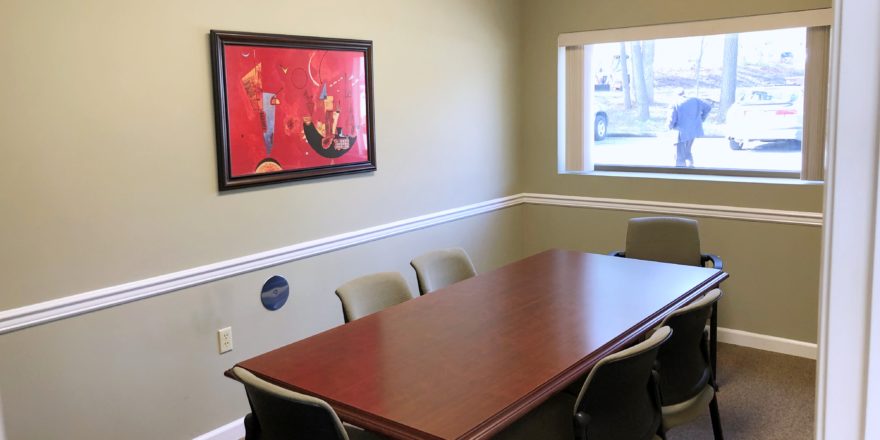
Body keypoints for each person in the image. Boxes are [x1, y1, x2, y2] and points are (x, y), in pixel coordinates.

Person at [667, 90, 712, 167]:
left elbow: (671, 119)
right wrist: (702, 118)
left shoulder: (674, 103)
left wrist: (669, 127)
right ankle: (690, 168)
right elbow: (708, 106)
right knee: (687, 151)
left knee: (680, 155)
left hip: (680, 132)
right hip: (693, 131)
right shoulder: (695, 100)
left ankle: (680, 172)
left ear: (675, 95)